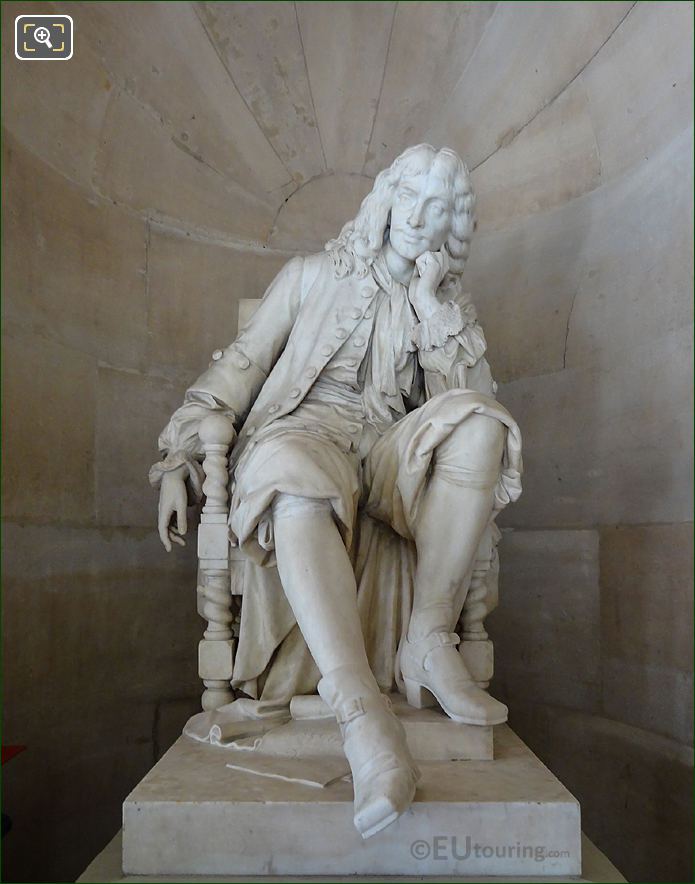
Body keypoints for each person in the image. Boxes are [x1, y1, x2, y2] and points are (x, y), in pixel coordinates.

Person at [150, 144, 522, 838]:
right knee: (291, 467)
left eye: (437, 210)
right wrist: (179, 455)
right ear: (384, 199)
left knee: (478, 426)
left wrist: (427, 304)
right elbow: (236, 371)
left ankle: (426, 640)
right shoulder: (310, 276)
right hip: (303, 434)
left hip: (385, 454)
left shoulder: (444, 306)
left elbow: (469, 402)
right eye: (409, 197)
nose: (418, 218)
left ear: (451, 230)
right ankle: (362, 716)